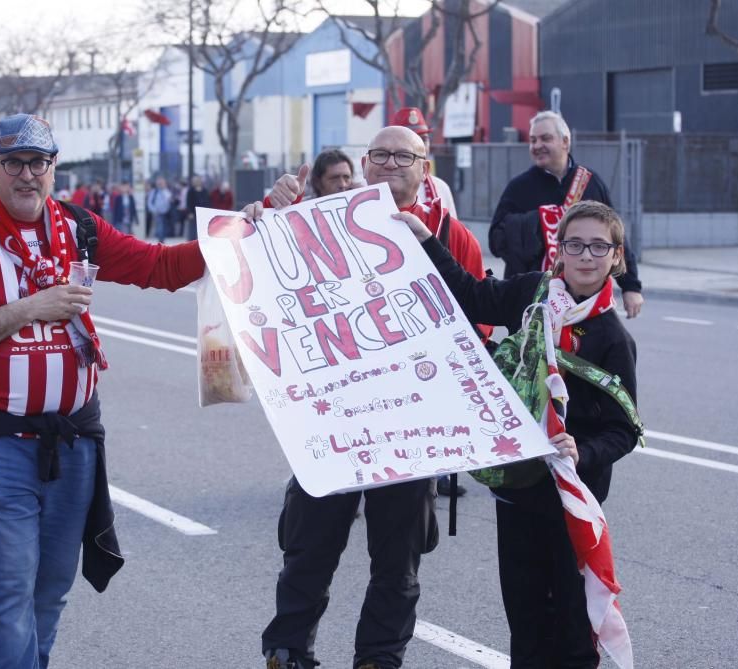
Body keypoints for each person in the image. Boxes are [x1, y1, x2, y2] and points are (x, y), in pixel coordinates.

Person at [0, 113, 205, 669]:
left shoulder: (78, 227)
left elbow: (162, 267)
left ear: (53, 168)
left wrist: (243, 226)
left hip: (73, 440)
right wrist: (32, 308)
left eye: (39, 162)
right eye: (15, 163)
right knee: (9, 587)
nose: (28, 175)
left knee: (52, 585)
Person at [250, 126, 487, 669]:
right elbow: (255, 268)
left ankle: (379, 658)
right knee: (309, 547)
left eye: (404, 156)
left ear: (424, 169)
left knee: (398, 562)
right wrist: (264, 211)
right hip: (333, 423)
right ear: (364, 165)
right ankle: (288, 651)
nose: (389, 164)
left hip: (413, 427)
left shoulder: (452, 237)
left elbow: (480, 317)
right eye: (378, 155)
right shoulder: (319, 225)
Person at [400, 199, 638, 669]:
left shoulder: (613, 338)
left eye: (598, 246)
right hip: (517, 489)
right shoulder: (533, 293)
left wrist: (583, 451)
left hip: (573, 499)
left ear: (617, 256)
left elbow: (623, 429)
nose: (586, 256)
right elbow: (471, 294)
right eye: (575, 244)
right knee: (525, 619)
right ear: (559, 251)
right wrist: (425, 239)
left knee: (572, 625)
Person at [489, 110, 644, 318]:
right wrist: (539, 223)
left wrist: (631, 286)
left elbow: (616, 237)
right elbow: (496, 240)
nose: (537, 146)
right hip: (533, 301)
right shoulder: (519, 187)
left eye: (545, 138)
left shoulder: (590, 183)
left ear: (565, 141)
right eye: (533, 140)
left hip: (584, 300)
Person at [389, 107, 457, 217]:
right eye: (413, 139)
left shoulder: (441, 187)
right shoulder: (374, 187)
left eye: (424, 139)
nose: (421, 145)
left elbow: (451, 231)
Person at [185, 174, 212, 241]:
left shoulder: (204, 191)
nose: (196, 182)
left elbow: (208, 201)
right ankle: (191, 243)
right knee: (193, 230)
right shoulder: (190, 191)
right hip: (193, 213)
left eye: (198, 180)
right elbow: (188, 202)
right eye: (195, 181)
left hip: (203, 213)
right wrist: (190, 212)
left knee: (202, 229)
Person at [147, 176, 173, 242]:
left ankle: (162, 239)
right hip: (157, 212)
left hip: (166, 212)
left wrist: (164, 190)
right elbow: (150, 202)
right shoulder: (154, 192)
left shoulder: (167, 191)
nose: (160, 184)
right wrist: (153, 210)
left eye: (162, 182)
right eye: (159, 182)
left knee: (164, 227)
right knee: (160, 226)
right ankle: (161, 240)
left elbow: (169, 200)